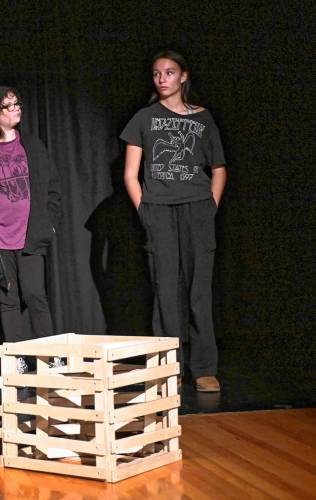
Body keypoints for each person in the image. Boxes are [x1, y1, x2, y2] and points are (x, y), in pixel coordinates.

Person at [121, 50, 227, 392]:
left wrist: (210, 206)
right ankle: (169, 368)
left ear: (183, 76)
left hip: (197, 208)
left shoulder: (203, 118)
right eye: (156, 73)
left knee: (199, 290)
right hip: (159, 210)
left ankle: (204, 368)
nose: (162, 78)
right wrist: (145, 210)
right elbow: (130, 174)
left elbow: (219, 169)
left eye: (169, 72)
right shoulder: (144, 118)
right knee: (166, 290)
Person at [0, 86, 61, 373]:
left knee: (35, 295)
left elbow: (52, 187)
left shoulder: (32, 145)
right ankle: (16, 358)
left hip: (29, 233)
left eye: (17, 103)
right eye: (8, 106)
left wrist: (51, 222)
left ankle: (49, 356)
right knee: (8, 297)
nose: (16, 108)